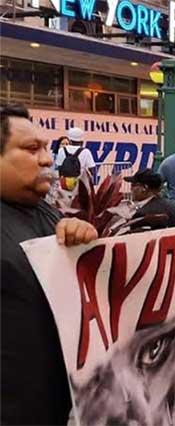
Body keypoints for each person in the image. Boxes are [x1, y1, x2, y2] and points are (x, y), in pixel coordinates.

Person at [1, 104, 99, 425]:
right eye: (31, 149)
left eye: (45, 147)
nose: (46, 159)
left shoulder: (42, 211)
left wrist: (84, 245)